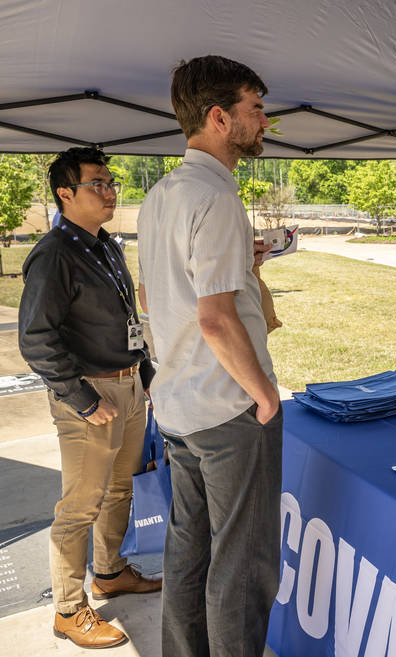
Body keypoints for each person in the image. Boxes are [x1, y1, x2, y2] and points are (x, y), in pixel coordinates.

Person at [137, 55, 281, 657]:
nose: (265, 122)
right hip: (224, 410)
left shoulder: (161, 195)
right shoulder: (216, 198)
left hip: (179, 404)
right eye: (255, 109)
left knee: (188, 553)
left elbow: (158, 293)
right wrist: (265, 396)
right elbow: (215, 319)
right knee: (241, 571)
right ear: (220, 118)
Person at [18, 147, 159, 649]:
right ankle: (69, 609)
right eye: (97, 183)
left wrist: (144, 374)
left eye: (110, 180)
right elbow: (36, 338)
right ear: (65, 193)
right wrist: (81, 398)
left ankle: (110, 572)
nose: (110, 191)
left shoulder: (104, 245)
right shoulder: (54, 253)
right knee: (81, 505)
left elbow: (126, 322)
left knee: (120, 492)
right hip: (90, 396)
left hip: (128, 386)